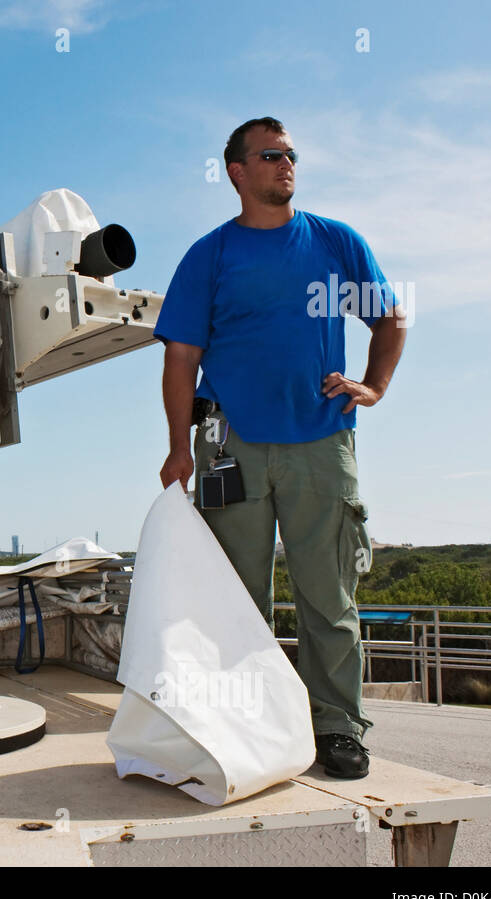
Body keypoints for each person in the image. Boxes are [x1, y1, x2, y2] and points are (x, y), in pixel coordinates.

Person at [154, 117, 407, 779]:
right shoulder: (209, 256)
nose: (286, 163)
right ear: (237, 172)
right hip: (227, 445)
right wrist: (179, 448)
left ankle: (338, 729)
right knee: (236, 600)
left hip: (322, 444)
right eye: (271, 155)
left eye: (291, 154)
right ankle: (250, 724)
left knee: (330, 597)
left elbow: (389, 318)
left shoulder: (334, 243)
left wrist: (374, 386)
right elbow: (182, 358)